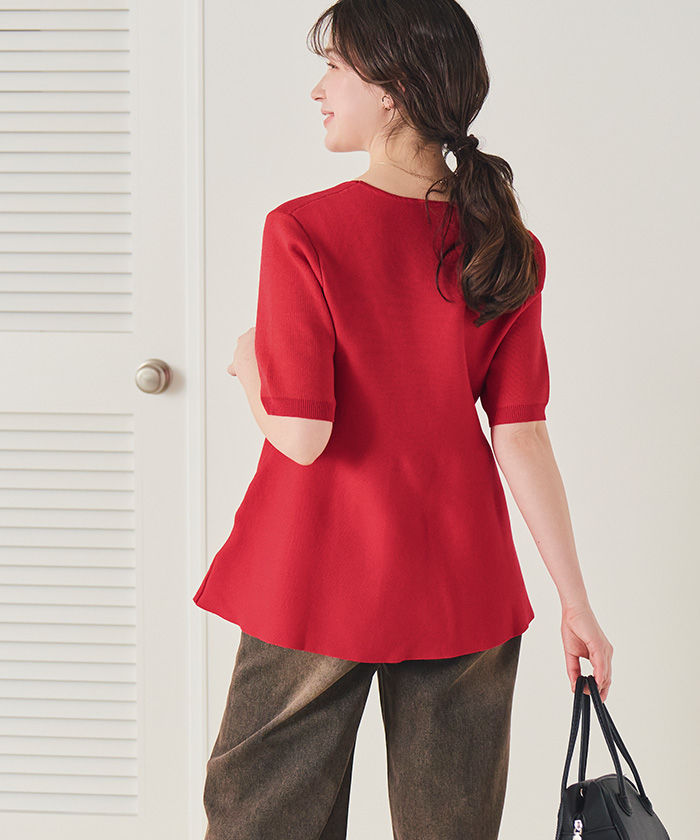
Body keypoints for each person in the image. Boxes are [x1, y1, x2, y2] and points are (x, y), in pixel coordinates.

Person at [193, 1, 614, 838]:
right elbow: (521, 433)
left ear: (390, 89)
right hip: (462, 581)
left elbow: (302, 437)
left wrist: (249, 364)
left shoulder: (303, 229)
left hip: (316, 575)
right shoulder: (509, 245)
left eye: (334, 69)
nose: (318, 90)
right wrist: (577, 604)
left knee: (260, 820)